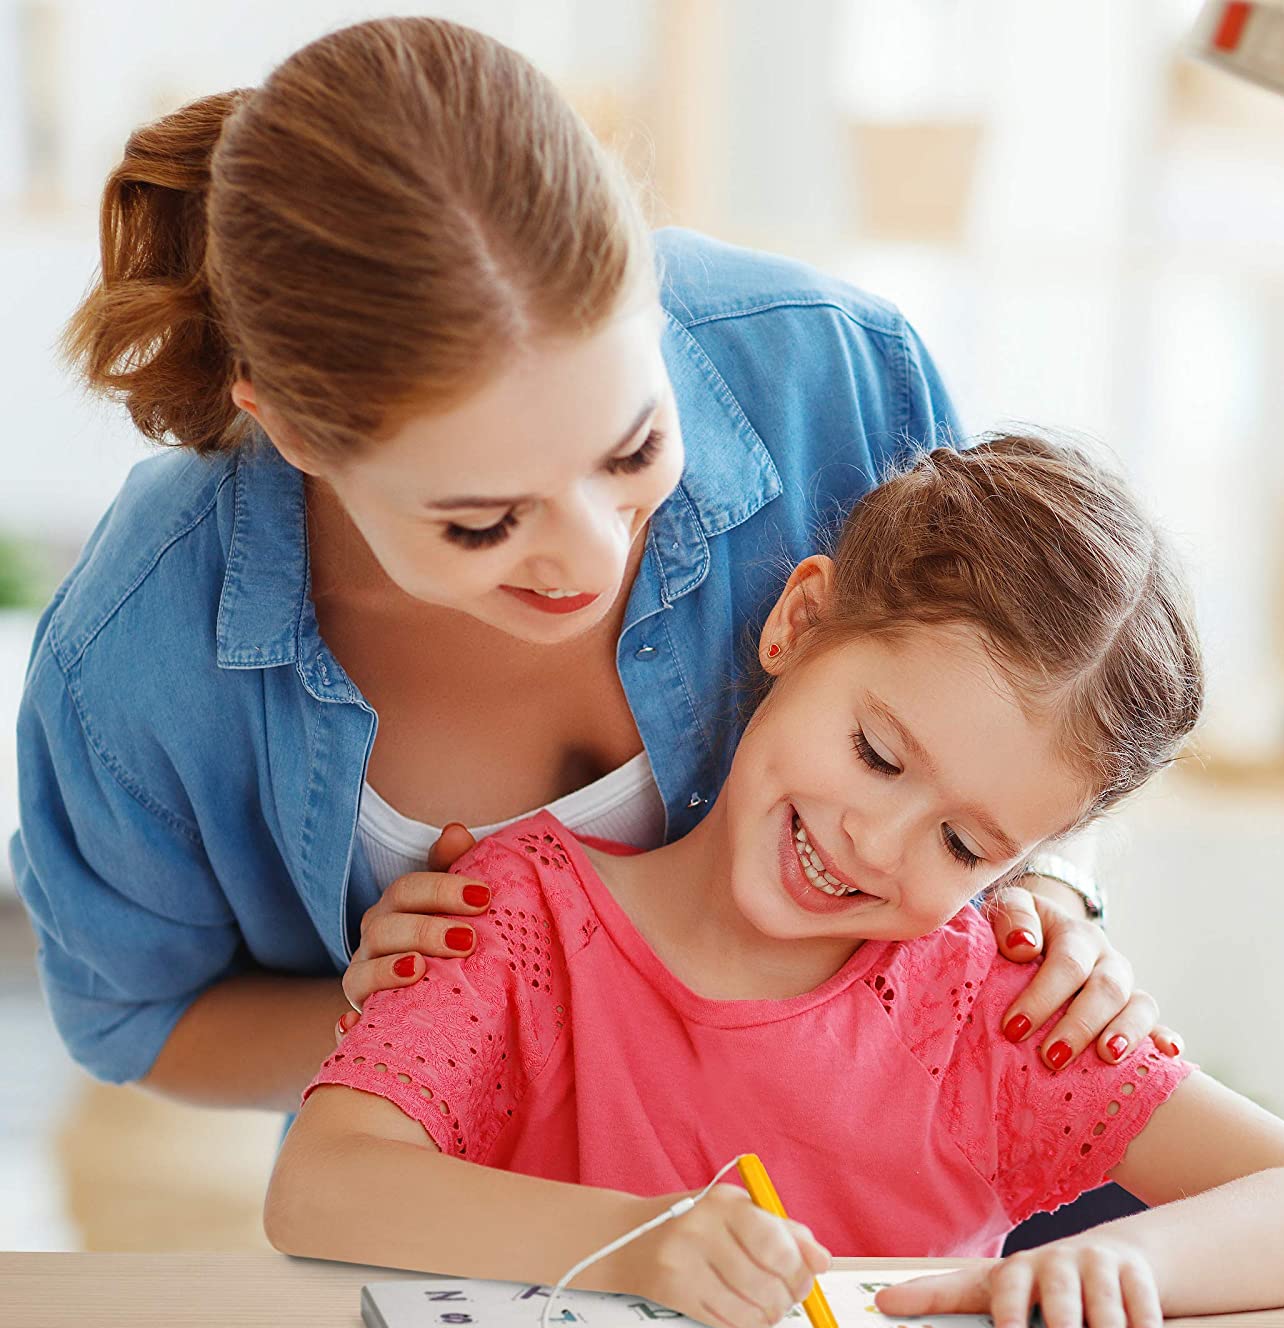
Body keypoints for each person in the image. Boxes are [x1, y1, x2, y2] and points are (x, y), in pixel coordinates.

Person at [12, 16, 1180, 1159]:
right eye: (482, 522)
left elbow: (1028, 697)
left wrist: (1059, 898)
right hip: (466, 1250)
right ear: (296, 433)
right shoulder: (136, 652)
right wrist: (389, 1014)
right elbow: (138, 1024)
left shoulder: (833, 376)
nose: (588, 560)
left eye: (633, 450)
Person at [264, 435, 1284, 1328]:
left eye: (962, 843)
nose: (874, 841)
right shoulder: (519, 921)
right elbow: (321, 1186)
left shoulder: (989, 1012)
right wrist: (645, 1241)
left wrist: (1127, 1258)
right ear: (799, 623)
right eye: (876, 753)